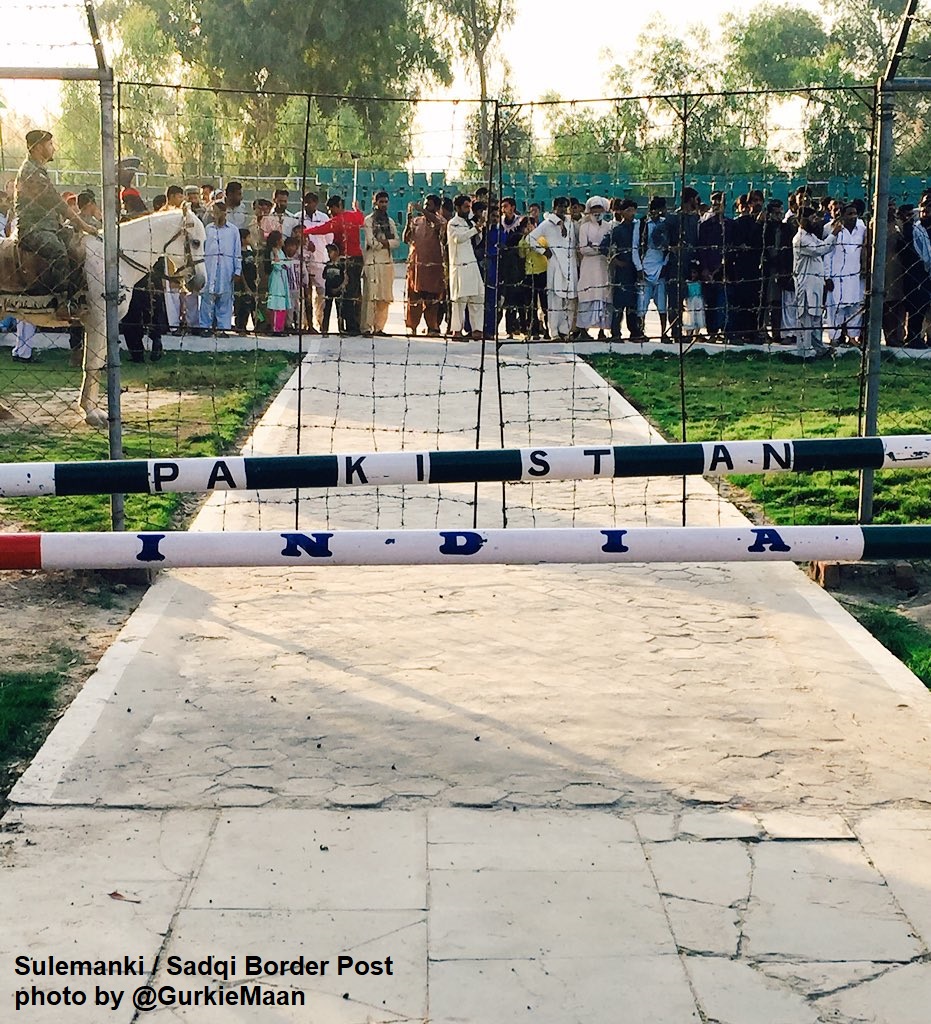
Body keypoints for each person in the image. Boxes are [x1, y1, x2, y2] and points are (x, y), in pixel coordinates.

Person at [13, 129, 98, 319]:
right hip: (32, 229)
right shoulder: (30, 172)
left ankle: (76, 296)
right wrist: (83, 225)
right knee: (58, 252)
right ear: (36, 148)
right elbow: (57, 203)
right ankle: (61, 303)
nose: (54, 148)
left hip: (50, 228)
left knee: (79, 247)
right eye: (49, 144)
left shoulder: (40, 171)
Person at [303, 195, 365, 334]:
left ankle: (350, 327)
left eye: (331, 209)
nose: (330, 213)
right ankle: (354, 325)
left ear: (338, 206)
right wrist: (358, 210)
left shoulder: (338, 221)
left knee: (346, 294)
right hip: (357, 258)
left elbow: (322, 229)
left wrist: (304, 232)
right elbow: (361, 220)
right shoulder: (353, 216)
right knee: (355, 292)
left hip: (346, 259)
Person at [793, 206, 843, 358]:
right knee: (806, 317)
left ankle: (819, 349)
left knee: (816, 319)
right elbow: (819, 249)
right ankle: (804, 352)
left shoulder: (811, 236)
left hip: (815, 283)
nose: (815, 221)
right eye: (812, 218)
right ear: (802, 220)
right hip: (805, 283)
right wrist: (833, 234)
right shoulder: (801, 238)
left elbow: (823, 245)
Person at [527, 196, 579, 339]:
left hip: (570, 264)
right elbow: (530, 238)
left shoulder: (570, 223)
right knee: (554, 299)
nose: (563, 209)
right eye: (560, 206)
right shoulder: (547, 224)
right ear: (554, 208)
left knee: (569, 299)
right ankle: (554, 332)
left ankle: (565, 330)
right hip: (555, 263)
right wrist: (544, 251)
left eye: (565, 207)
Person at [198, 200, 242, 336]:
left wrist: (237, 270)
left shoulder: (233, 231)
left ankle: (223, 328)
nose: (216, 215)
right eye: (214, 212)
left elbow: (237, 251)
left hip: (226, 269)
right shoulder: (208, 229)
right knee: (207, 299)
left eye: (219, 212)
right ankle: (205, 327)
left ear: (225, 213)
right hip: (209, 268)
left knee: (225, 300)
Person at [404, 194, 446, 336]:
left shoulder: (440, 221)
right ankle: (412, 326)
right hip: (416, 266)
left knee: (432, 299)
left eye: (430, 205)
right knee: (414, 298)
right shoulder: (417, 221)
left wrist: (422, 210)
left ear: (437, 207)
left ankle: (432, 327)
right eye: (426, 204)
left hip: (433, 267)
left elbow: (438, 225)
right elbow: (407, 238)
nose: (427, 207)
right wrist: (408, 220)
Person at [601, 199, 643, 340]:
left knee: (634, 304)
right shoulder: (618, 230)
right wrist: (615, 260)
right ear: (622, 212)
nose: (631, 213)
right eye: (628, 210)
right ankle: (616, 333)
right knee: (619, 303)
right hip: (623, 270)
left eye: (633, 210)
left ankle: (635, 332)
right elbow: (603, 246)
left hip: (635, 269)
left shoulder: (639, 228)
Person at [446, 193, 485, 340]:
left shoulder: (470, 222)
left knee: (477, 297)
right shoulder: (453, 223)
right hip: (460, 265)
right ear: (457, 207)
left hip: (472, 263)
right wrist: (475, 229)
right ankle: (456, 330)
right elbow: (459, 238)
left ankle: (477, 329)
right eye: (465, 207)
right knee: (459, 300)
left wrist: (478, 227)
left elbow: (477, 240)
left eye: (469, 207)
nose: (468, 209)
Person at [362, 190, 399, 336]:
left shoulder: (390, 222)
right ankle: (366, 327)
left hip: (386, 262)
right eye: (381, 202)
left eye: (385, 202)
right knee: (371, 295)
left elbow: (397, 241)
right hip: (373, 261)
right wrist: (385, 243)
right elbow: (371, 241)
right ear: (375, 203)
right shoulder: (369, 220)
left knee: (384, 296)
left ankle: (379, 327)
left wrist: (385, 243)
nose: (383, 205)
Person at [576, 196, 612, 339]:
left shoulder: (609, 226)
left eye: (599, 209)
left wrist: (594, 247)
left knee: (603, 295)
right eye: (594, 209)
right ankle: (584, 330)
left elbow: (609, 247)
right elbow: (584, 249)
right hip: (588, 267)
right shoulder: (584, 227)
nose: (597, 212)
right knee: (587, 294)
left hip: (604, 266)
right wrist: (598, 249)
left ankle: (602, 330)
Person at [638, 197, 671, 341]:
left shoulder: (666, 224)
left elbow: (670, 247)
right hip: (645, 265)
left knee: (662, 304)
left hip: (660, 265)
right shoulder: (642, 224)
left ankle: (664, 333)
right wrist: (639, 268)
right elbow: (637, 246)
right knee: (642, 303)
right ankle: (640, 331)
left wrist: (665, 264)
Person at [301, 191, 330, 332]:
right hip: (304, 261)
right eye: (306, 201)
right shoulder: (298, 218)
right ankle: (307, 324)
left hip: (320, 260)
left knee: (321, 293)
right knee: (305, 294)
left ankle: (321, 322)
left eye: (311, 202)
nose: (308, 204)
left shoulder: (323, 218)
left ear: (316, 203)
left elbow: (329, 238)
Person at [518, 215, 548, 338]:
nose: (529, 228)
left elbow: (544, 249)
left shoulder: (541, 238)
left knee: (545, 304)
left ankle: (548, 329)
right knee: (532, 304)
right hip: (530, 273)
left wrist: (533, 241)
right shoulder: (523, 241)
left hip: (542, 272)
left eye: (532, 225)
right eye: (526, 226)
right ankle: (533, 330)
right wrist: (526, 240)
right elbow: (521, 254)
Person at [265, 230, 291, 335]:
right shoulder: (274, 251)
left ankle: (280, 328)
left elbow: (286, 264)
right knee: (277, 303)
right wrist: (281, 263)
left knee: (282, 303)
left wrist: (283, 264)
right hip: (277, 278)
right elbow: (276, 265)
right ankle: (275, 328)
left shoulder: (281, 251)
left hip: (283, 277)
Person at [234, 228, 257, 333]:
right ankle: (240, 326)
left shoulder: (250, 251)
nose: (250, 238)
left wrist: (252, 245)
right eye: (248, 237)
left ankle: (250, 324)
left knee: (250, 304)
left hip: (252, 281)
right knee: (241, 304)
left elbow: (257, 256)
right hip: (242, 284)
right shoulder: (239, 253)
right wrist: (245, 285)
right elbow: (241, 270)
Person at [321, 243, 345, 336]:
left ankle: (341, 329)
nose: (329, 254)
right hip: (328, 290)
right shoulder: (328, 265)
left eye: (330, 252)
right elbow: (324, 276)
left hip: (338, 290)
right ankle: (325, 330)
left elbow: (344, 277)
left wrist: (340, 287)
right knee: (327, 310)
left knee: (340, 311)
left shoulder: (340, 265)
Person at [682, 263, 706, 337]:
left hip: (698, 301)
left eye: (695, 272)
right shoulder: (687, 282)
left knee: (698, 316)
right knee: (690, 317)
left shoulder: (699, 282)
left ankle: (697, 334)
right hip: (690, 301)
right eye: (692, 272)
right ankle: (689, 334)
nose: (693, 274)